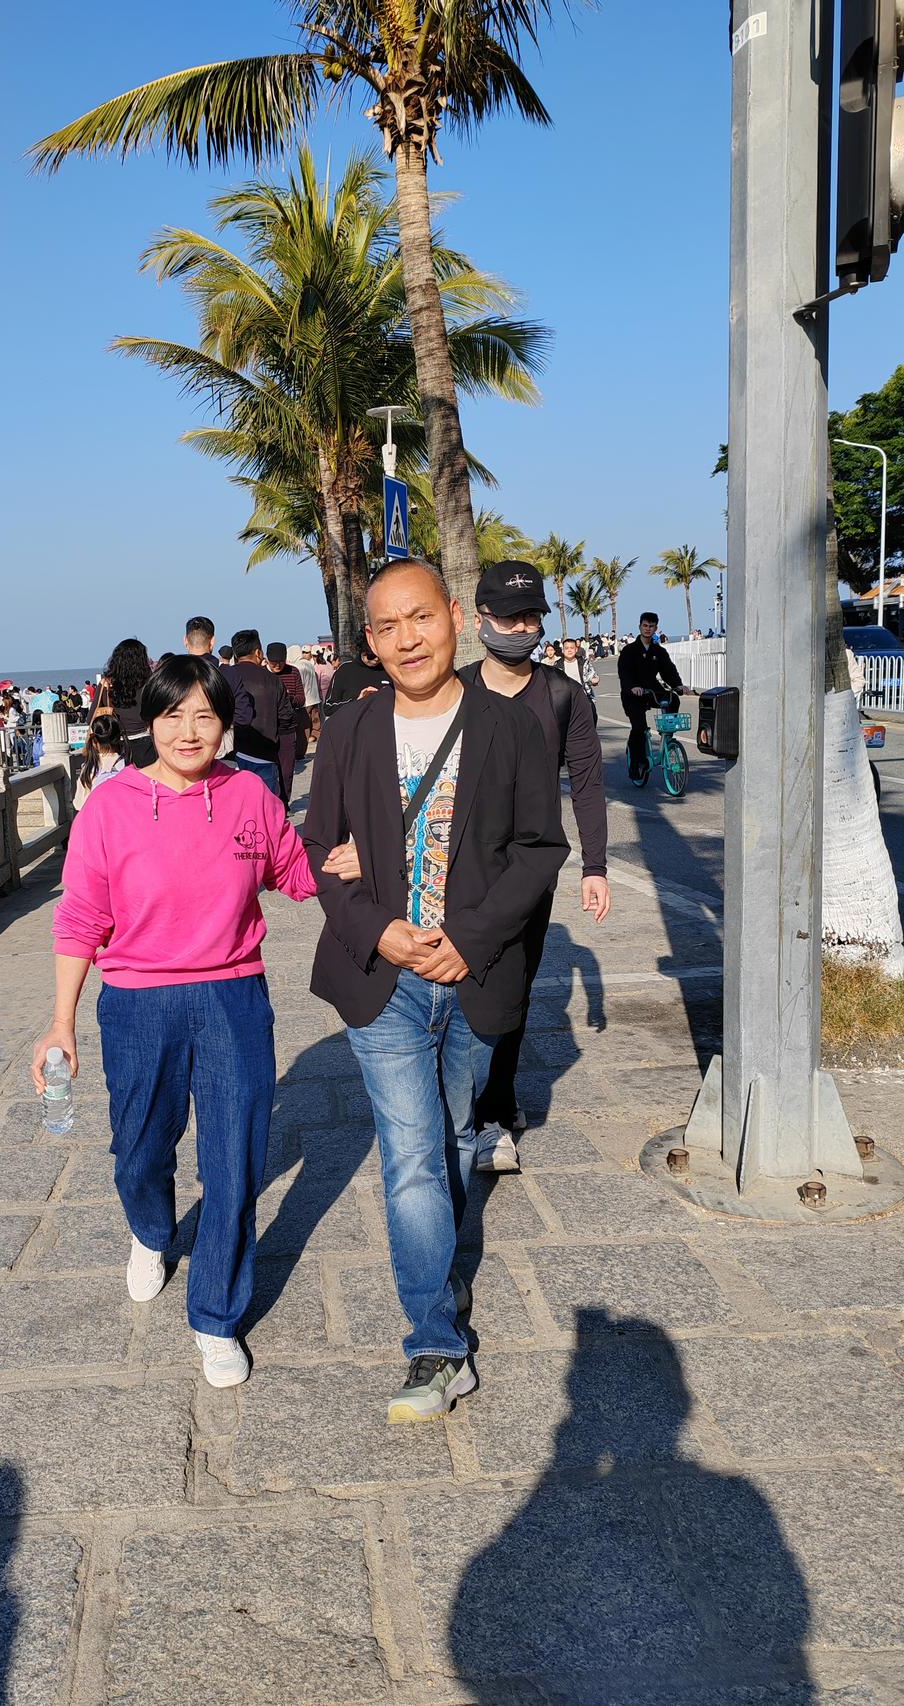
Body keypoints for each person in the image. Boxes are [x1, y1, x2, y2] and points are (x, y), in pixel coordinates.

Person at [31, 655, 359, 1391]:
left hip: (231, 998)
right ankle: (151, 1230)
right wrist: (61, 1022)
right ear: (149, 722)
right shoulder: (110, 806)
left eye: (205, 716)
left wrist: (347, 859)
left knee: (234, 1160)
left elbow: (292, 873)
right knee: (139, 1148)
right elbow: (80, 917)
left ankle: (217, 1314)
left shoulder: (250, 795)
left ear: (225, 725)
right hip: (137, 1003)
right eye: (173, 715)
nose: (188, 731)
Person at [304, 559, 568, 1423]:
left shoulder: (510, 725)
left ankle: (436, 1266)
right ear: (369, 642)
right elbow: (321, 847)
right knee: (411, 1154)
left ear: (454, 615)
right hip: (384, 979)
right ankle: (436, 1345)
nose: (407, 639)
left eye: (420, 617)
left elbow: (539, 849)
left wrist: (471, 940)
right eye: (387, 627)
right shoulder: (349, 728)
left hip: (475, 977)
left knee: (454, 1137)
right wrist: (376, 926)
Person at [462, 563, 610, 1156]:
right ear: (480, 620)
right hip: (460, 865)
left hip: (530, 871)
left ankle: (495, 1106)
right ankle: (465, 1105)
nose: (521, 628)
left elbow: (588, 783)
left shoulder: (562, 695)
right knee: (459, 984)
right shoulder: (454, 690)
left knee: (513, 988)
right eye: (508, 617)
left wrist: (595, 868)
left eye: (531, 617)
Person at [222, 629, 294, 798]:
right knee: (267, 805)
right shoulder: (272, 680)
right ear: (258, 652)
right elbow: (286, 718)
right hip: (265, 755)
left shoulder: (226, 678)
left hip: (233, 755)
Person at [617, 612, 686, 782]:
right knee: (639, 728)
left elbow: (668, 670)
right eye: (645, 625)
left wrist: (678, 685)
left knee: (673, 699)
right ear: (640, 626)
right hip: (633, 693)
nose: (648, 629)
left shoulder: (658, 651)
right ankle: (636, 764)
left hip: (652, 690)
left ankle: (668, 736)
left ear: (656, 628)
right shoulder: (629, 650)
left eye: (651, 626)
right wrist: (632, 687)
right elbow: (624, 673)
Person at [93, 639, 156, 768]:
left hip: (116, 747)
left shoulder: (107, 685)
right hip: (147, 745)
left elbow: (92, 718)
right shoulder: (150, 684)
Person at [265, 642, 308, 804]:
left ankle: (283, 803)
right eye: (273, 662)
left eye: (281, 662)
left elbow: (301, 699)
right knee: (268, 769)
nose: (277, 666)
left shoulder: (293, 672)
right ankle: (269, 802)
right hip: (266, 728)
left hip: (288, 727)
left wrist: (288, 698)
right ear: (267, 660)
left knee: (287, 770)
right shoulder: (262, 674)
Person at [72, 714, 129, 811]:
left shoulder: (89, 768)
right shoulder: (127, 765)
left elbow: (79, 803)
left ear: (94, 741)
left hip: (93, 816)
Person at [324, 638, 391, 711]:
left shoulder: (388, 670)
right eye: (372, 655)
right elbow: (328, 707)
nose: (376, 659)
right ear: (363, 651)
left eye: (380, 655)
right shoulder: (345, 670)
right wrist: (357, 701)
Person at [558, 636, 600, 718]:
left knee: (591, 718)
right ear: (562, 650)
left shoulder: (584, 662)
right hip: (565, 700)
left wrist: (594, 680)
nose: (569, 650)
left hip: (584, 697)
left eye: (572, 648)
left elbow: (592, 675)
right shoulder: (557, 666)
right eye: (566, 648)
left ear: (576, 649)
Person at [290, 645, 323, 742]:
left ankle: (305, 739)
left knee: (305, 722)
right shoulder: (309, 664)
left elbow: (300, 683)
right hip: (314, 696)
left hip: (306, 698)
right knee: (315, 719)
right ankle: (315, 736)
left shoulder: (297, 667)